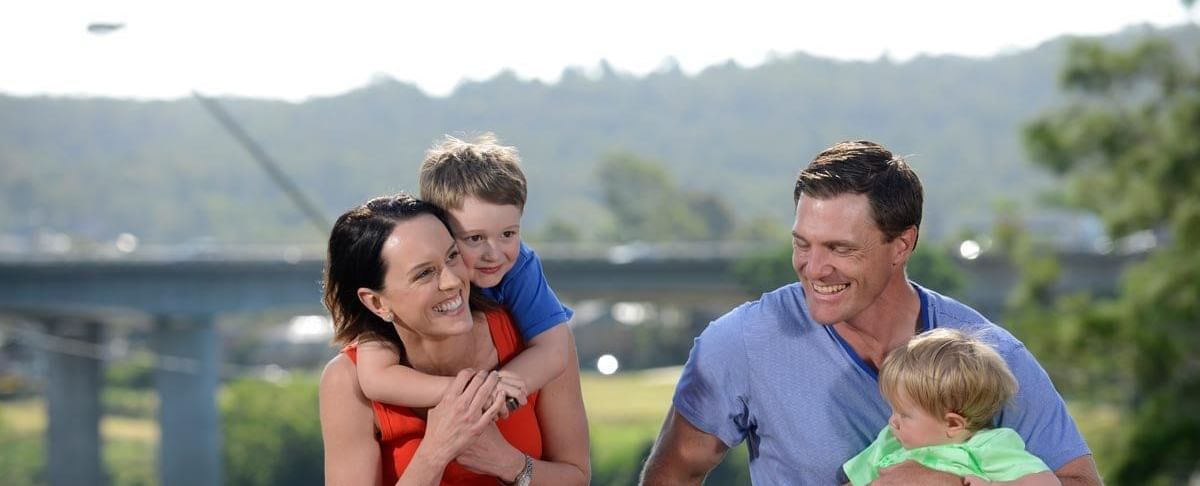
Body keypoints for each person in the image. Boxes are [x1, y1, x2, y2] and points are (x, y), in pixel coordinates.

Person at [640, 140, 1100, 485]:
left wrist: (944, 481)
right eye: (803, 244)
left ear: (901, 245)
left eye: (839, 248)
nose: (814, 268)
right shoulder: (741, 342)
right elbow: (672, 475)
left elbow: (1077, 480)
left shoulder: (987, 355)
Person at [318, 193, 589, 485]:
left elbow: (576, 477)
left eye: (452, 256)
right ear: (376, 303)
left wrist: (509, 464)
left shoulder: (537, 343)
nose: (452, 281)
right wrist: (435, 452)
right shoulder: (347, 380)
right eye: (424, 273)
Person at [354, 134, 576, 420]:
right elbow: (375, 378)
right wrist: (472, 392)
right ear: (440, 231)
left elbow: (554, 349)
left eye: (508, 234)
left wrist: (499, 390)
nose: (494, 254)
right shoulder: (402, 282)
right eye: (474, 238)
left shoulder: (520, 266)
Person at [843, 328, 1058, 486]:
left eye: (904, 415)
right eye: (893, 410)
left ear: (953, 423)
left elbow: (1047, 482)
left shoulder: (986, 447)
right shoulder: (889, 443)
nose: (892, 421)